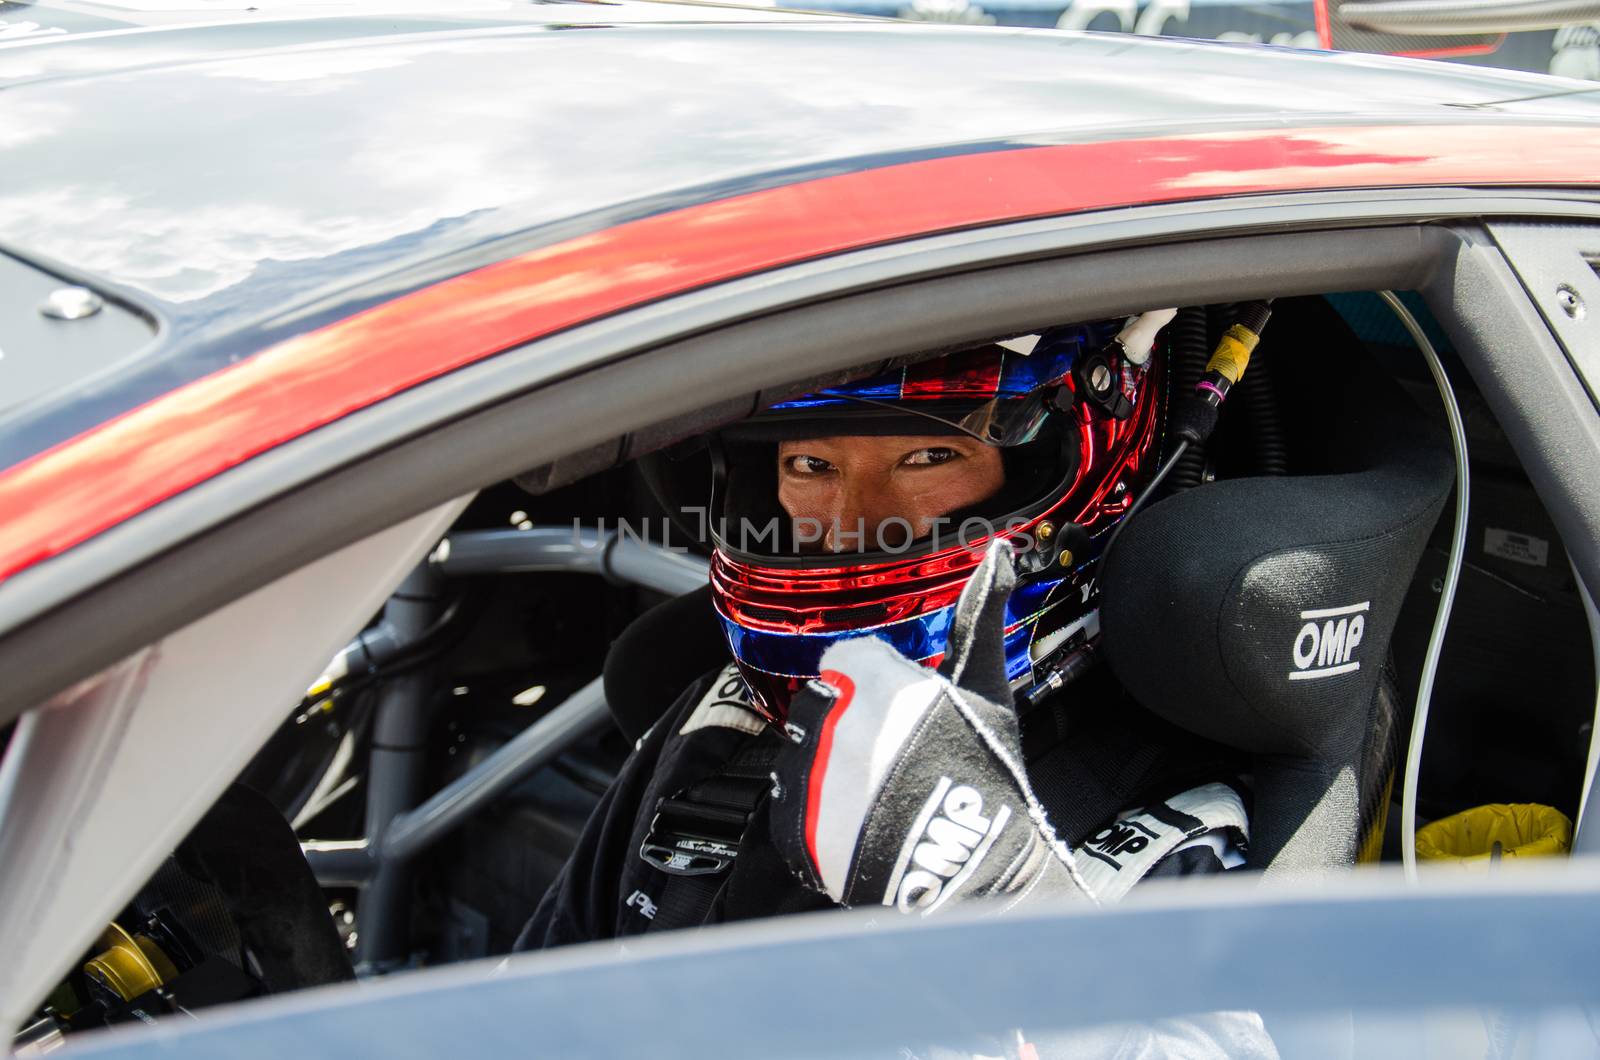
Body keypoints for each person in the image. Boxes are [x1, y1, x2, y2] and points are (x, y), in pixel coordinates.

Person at [514, 317, 1273, 1055]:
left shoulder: (1173, 824)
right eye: (810, 465)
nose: (853, 526)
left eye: (928, 457)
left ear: (1063, 467)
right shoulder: (725, 725)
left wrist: (1005, 913)